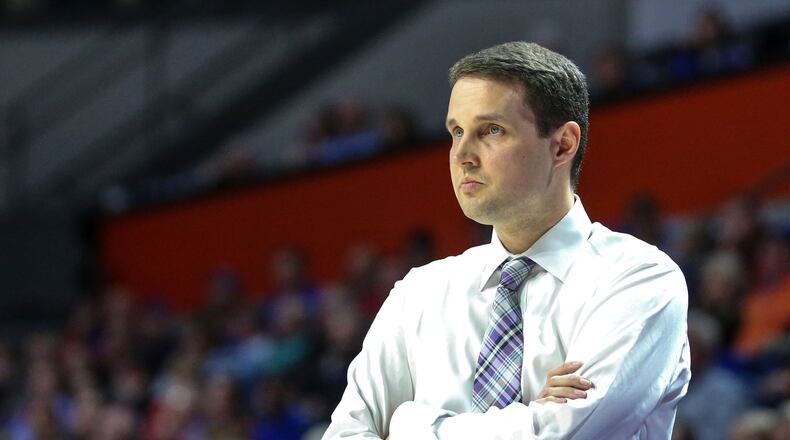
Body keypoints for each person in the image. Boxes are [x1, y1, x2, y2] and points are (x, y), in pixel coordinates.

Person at [323, 41, 690, 440]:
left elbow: (567, 436)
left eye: (491, 131)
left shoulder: (639, 279)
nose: (462, 154)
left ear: (563, 144)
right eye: (457, 132)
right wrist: (532, 416)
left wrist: (412, 425)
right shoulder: (418, 294)